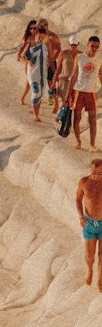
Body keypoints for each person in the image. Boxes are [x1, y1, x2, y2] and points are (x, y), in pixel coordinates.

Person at [69, 36, 101, 151]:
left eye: (97, 47)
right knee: (77, 117)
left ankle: (92, 145)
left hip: (91, 92)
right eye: (92, 46)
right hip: (78, 91)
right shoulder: (80, 57)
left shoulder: (99, 59)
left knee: (92, 118)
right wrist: (68, 94)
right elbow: (73, 75)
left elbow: (100, 75)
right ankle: (78, 140)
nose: (94, 49)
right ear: (87, 44)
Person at [76, 159, 102, 287]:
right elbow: (78, 199)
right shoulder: (84, 182)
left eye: (99, 173)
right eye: (94, 173)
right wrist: (81, 217)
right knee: (89, 255)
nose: (96, 176)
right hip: (89, 224)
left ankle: (100, 278)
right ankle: (90, 270)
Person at [21, 23, 49, 122]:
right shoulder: (32, 44)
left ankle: (36, 111)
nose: (40, 39)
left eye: (43, 37)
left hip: (42, 73)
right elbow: (23, 56)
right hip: (33, 73)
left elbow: (46, 58)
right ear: (36, 35)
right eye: (39, 37)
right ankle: (35, 116)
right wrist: (28, 62)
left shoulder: (45, 46)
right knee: (35, 92)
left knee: (41, 94)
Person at [17, 19, 38, 105]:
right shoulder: (29, 38)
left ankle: (34, 98)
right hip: (29, 61)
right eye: (31, 28)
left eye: (34, 28)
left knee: (33, 81)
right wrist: (19, 54)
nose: (32, 30)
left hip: (37, 62)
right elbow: (23, 47)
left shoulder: (40, 36)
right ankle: (23, 98)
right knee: (29, 82)